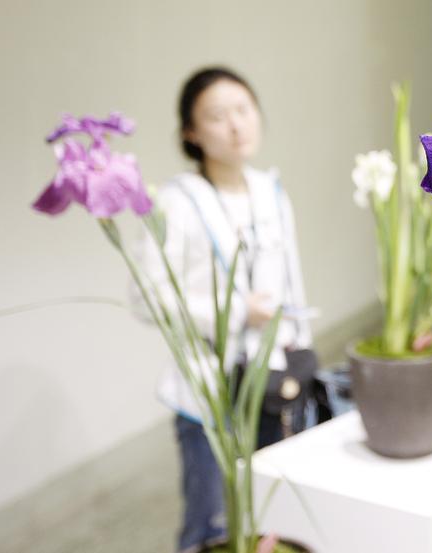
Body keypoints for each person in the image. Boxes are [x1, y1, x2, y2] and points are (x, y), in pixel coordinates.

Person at [132, 66, 313, 553]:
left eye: (243, 109)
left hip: (272, 384)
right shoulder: (174, 202)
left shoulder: (271, 191)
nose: (236, 125)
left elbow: (292, 281)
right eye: (216, 116)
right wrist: (237, 312)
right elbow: (147, 298)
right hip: (208, 391)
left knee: (271, 517)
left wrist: (302, 352)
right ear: (191, 133)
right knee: (211, 523)